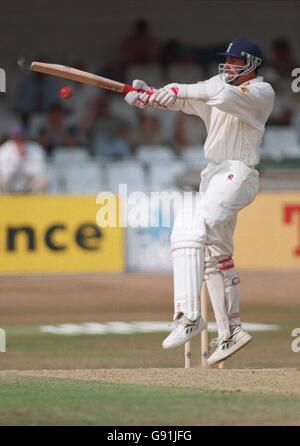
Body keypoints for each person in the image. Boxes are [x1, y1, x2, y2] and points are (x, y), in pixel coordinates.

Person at [125, 38, 275, 366]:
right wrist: (149, 95)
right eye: (228, 61)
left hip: (238, 172)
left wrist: (174, 90)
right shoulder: (217, 85)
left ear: (251, 65)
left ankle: (188, 315)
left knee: (188, 227)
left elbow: (216, 94)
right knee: (215, 255)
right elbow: (185, 99)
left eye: (236, 61)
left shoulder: (261, 94)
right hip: (216, 175)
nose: (229, 66)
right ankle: (231, 331)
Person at [0, 124, 48, 194]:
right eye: (17, 136)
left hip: (28, 184)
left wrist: (24, 158)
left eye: (21, 136)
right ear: (12, 137)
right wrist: (18, 158)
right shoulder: (4, 149)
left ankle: (36, 204)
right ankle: (3, 204)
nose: (19, 139)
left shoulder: (35, 149)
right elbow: (4, 172)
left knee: (42, 181)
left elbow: (39, 171)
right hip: (11, 185)